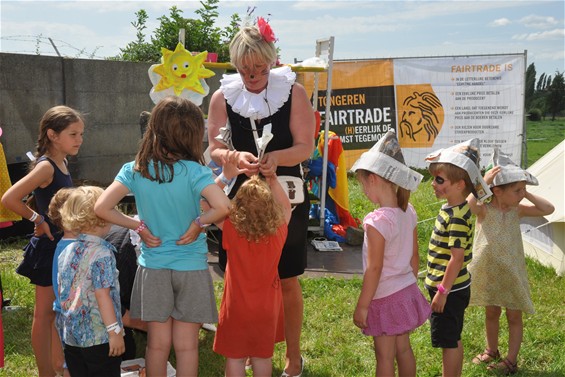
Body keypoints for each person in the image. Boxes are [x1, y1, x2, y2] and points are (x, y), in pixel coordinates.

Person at [207, 17, 315, 377]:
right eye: (244, 68)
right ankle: (249, 345)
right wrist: (232, 158)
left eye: (258, 67)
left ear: (271, 60)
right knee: (241, 277)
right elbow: (213, 148)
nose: (252, 75)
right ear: (235, 65)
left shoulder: (294, 93)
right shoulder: (223, 97)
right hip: (241, 197)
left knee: (285, 277)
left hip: (285, 195)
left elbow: (305, 147)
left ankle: (292, 357)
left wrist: (276, 160)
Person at [94, 96, 231, 377]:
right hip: (191, 269)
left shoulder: (134, 169)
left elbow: (101, 207)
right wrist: (198, 223)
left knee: (156, 346)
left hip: (153, 267)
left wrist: (137, 227)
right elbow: (223, 206)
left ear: (153, 130)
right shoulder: (197, 172)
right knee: (187, 347)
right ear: (194, 134)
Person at [1, 105, 84, 377]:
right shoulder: (46, 166)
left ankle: (58, 367)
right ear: (52, 134)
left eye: (81, 134)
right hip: (49, 247)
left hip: (62, 245)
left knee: (55, 313)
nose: (79, 140)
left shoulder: (62, 161)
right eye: (73, 134)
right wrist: (38, 219)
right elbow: (9, 199)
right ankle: (45, 372)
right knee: (44, 314)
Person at [350, 131, 431, 377]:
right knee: (403, 349)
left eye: (363, 184)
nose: (364, 190)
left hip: (385, 298)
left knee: (384, 356)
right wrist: (408, 284)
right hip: (406, 290)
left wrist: (363, 306)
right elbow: (415, 256)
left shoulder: (378, 221)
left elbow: (374, 269)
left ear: (373, 179)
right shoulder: (409, 212)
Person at [468, 148, 554, 375]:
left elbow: (549, 209)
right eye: (517, 190)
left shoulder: (518, 209)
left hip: (512, 272)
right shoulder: (484, 209)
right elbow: (469, 204)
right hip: (489, 271)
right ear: (496, 190)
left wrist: (526, 194)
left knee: (514, 315)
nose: (521, 194)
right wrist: (482, 183)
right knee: (491, 313)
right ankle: (491, 350)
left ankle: (511, 360)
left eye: (522, 190)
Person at [423, 138, 492, 377]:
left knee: (448, 341)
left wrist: (442, 291)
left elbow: (457, 258)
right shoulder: (458, 207)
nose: (433, 184)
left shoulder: (457, 217)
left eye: (439, 180)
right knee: (452, 336)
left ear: (459, 184)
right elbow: (475, 198)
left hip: (449, 290)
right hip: (451, 287)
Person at [212, 173, 291, 377]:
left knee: (235, 358)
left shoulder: (230, 228)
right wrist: (272, 179)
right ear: (271, 207)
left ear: (237, 206)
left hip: (235, 308)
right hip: (266, 310)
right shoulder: (279, 231)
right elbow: (287, 208)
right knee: (262, 357)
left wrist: (224, 177)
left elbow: (204, 202)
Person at [57, 186, 125, 376]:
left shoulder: (66, 251)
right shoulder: (103, 253)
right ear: (103, 217)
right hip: (100, 337)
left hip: (72, 337)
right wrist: (114, 332)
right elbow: (103, 295)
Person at [47, 187, 76, 377]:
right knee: (72, 364)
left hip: (63, 311)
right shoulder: (75, 248)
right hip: (72, 314)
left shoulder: (63, 244)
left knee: (68, 364)